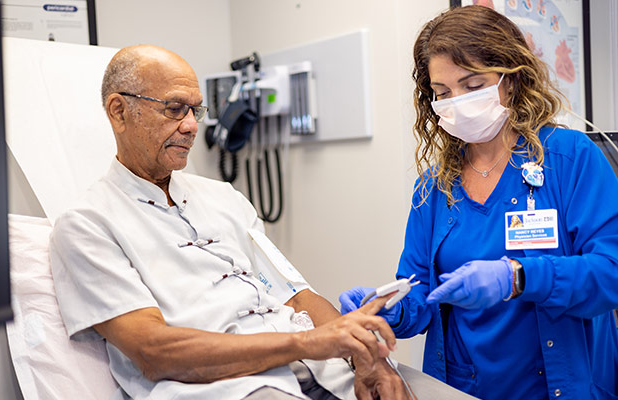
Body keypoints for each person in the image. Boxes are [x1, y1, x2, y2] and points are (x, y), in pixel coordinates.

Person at [49, 44, 475, 400]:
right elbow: (153, 351)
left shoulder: (222, 197)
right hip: (227, 388)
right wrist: (310, 343)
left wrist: (365, 357)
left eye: (196, 109)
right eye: (175, 109)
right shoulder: (87, 225)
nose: (193, 126)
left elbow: (298, 295)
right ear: (119, 112)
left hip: (317, 369)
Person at [340, 5, 618, 400]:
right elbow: (419, 292)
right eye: (442, 93)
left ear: (511, 78)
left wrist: (518, 278)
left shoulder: (569, 158)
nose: (457, 102)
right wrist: (389, 309)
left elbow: (611, 273)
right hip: (464, 388)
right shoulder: (434, 186)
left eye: (472, 86)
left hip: (558, 386)